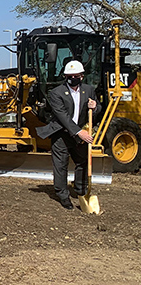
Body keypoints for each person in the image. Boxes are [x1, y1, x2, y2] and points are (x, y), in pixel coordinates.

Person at [36, 60, 101, 210]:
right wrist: (79, 132)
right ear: (65, 76)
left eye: (76, 75)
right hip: (61, 134)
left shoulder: (89, 90)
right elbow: (62, 116)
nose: (73, 78)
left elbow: (97, 109)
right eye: (70, 76)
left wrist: (95, 106)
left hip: (81, 133)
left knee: (83, 161)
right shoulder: (56, 93)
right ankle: (63, 195)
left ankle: (81, 190)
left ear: (82, 76)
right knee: (61, 165)